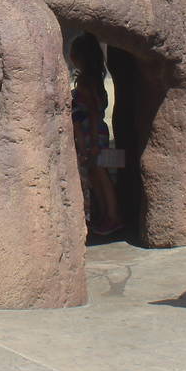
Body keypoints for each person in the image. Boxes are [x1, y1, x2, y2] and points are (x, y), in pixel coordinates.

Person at [69, 34, 122, 237]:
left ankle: (114, 216)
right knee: (96, 173)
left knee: (102, 174)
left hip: (93, 134)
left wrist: (90, 143)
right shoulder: (94, 80)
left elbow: (91, 112)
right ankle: (105, 215)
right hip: (98, 131)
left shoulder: (86, 82)